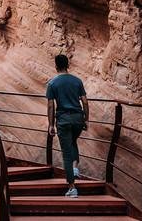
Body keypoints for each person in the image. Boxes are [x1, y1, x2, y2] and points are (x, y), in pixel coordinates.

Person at [46, 54, 89, 198]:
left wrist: (51, 124)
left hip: (63, 120)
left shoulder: (52, 83)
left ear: (56, 66)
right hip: (78, 118)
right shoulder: (77, 81)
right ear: (68, 65)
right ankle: (75, 169)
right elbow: (85, 101)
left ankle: (72, 188)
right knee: (73, 142)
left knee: (66, 153)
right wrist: (86, 119)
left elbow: (51, 105)